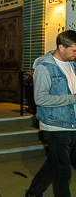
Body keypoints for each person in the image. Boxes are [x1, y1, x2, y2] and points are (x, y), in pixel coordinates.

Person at [25, 30, 76, 197]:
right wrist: (72, 98)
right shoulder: (44, 68)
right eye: (74, 50)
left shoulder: (73, 64)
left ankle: (33, 193)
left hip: (71, 123)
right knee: (63, 173)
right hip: (54, 125)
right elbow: (40, 99)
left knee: (54, 164)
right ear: (61, 47)